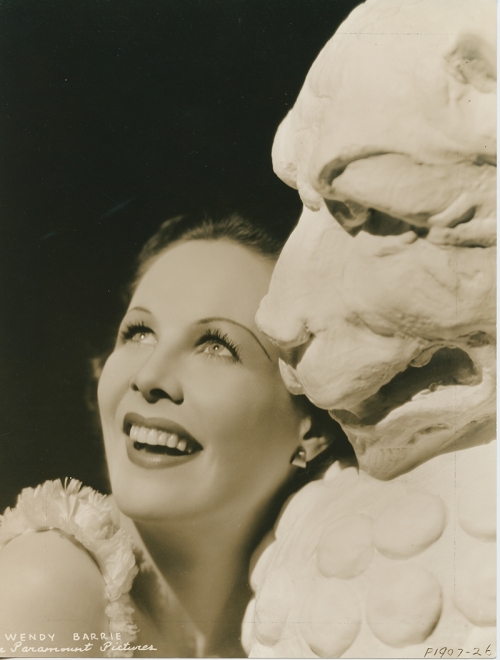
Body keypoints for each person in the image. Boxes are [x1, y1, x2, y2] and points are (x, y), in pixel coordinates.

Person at [0, 212, 354, 658]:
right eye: (139, 333)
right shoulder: (47, 584)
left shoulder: (314, 620)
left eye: (216, 346)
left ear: (316, 426)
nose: (149, 377)